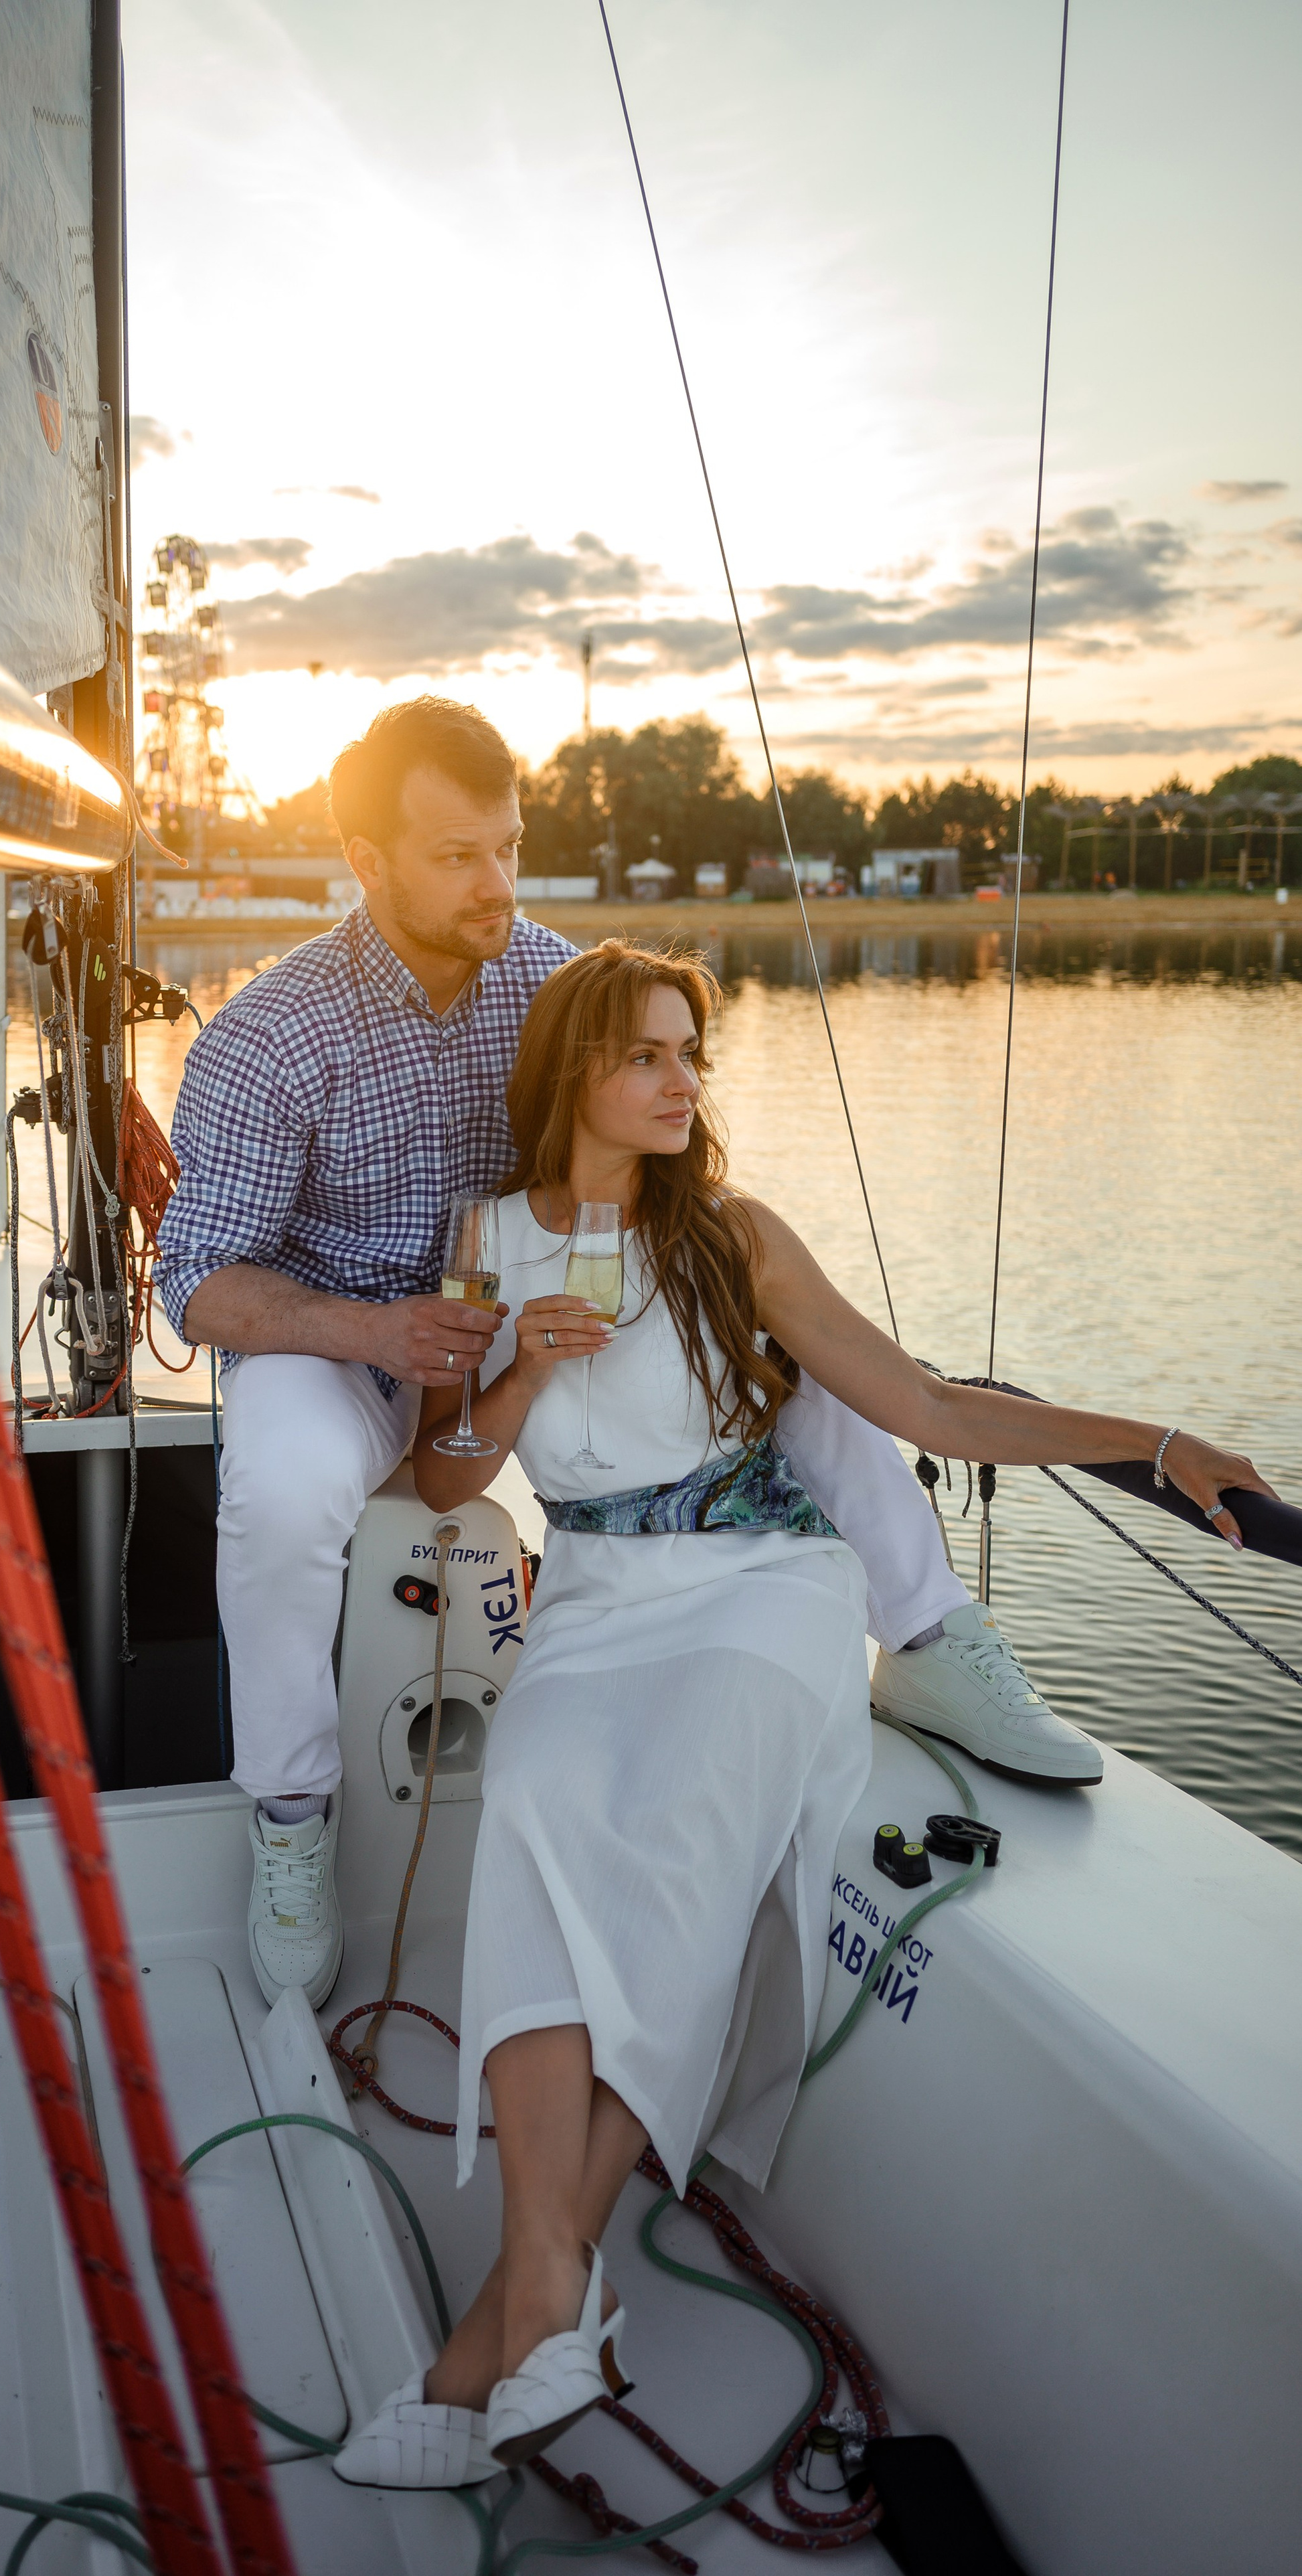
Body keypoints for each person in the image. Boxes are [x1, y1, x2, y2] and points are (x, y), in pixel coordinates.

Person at [331, 941, 1272, 2486]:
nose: (678, 1078)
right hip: (589, 1603)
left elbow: (932, 1410)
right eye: (645, 1053)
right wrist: (509, 1383)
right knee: (538, 1814)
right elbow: (438, 1479)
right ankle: (550, 2297)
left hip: (757, 1592)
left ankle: (511, 2314)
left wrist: (1155, 1439)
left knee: (676, 1863)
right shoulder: (484, 1238)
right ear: (575, 1069)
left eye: (689, 1052)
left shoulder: (730, 1240)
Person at [158, 696, 1096, 2016]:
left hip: (513, 1300)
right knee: (283, 1483)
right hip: (337, 1334)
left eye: (507, 845)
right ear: (364, 861)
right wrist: (372, 1330)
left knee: (773, 1354)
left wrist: (720, 1275)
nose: (496, 885)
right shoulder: (267, 1034)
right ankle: (293, 1816)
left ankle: (929, 1637)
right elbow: (197, 1280)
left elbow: (650, 1135)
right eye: (455, 857)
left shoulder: (557, 977)